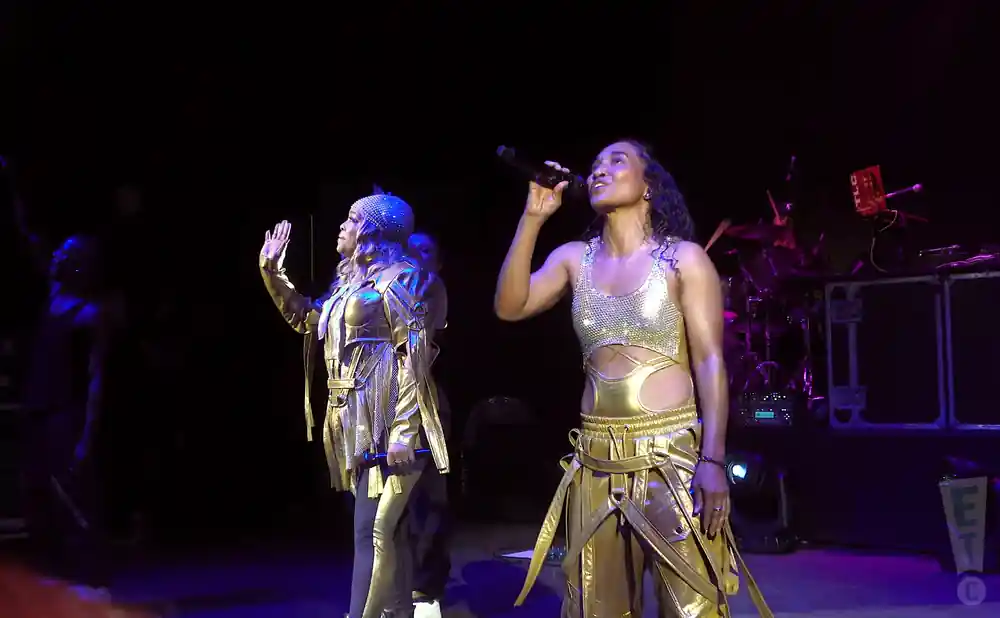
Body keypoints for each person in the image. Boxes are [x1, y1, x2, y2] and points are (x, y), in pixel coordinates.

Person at [495, 140, 772, 617]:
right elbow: (510, 305)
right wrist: (533, 218)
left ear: (649, 186)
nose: (600, 169)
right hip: (596, 463)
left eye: (617, 161)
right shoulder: (572, 259)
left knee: (692, 608)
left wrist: (714, 460)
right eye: (596, 164)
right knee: (598, 609)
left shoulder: (683, 259)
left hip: (673, 461)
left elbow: (709, 362)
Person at [259, 192, 448, 618]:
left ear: (373, 232)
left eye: (351, 219)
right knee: (385, 533)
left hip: (385, 418)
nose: (342, 227)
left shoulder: (403, 279)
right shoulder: (350, 286)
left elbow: (413, 354)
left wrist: (403, 432)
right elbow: (307, 320)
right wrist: (272, 272)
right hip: (351, 418)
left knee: (373, 531)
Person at [406, 232, 451, 618]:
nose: (413, 258)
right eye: (408, 249)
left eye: (423, 251)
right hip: (391, 406)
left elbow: (419, 335)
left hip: (428, 406)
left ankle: (427, 587)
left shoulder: (431, 288)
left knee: (429, 499)